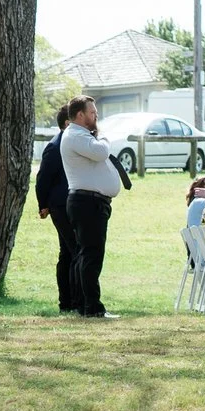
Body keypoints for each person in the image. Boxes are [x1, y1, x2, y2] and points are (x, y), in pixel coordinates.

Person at [57, 96, 120, 319]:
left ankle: (85, 304)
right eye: (92, 112)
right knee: (91, 255)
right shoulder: (75, 135)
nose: (96, 116)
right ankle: (92, 307)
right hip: (87, 203)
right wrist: (103, 136)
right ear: (80, 114)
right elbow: (101, 152)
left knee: (89, 254)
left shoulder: (82, 135)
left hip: (91, 202)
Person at [34, 103, 76, 314]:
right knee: (73, 250)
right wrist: (43, 205)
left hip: (71, 203)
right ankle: (70, 301)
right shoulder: (55, 146)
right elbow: (43, 178)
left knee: (68, 252)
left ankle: (67, 302)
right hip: (60, 205)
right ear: (67, 123)